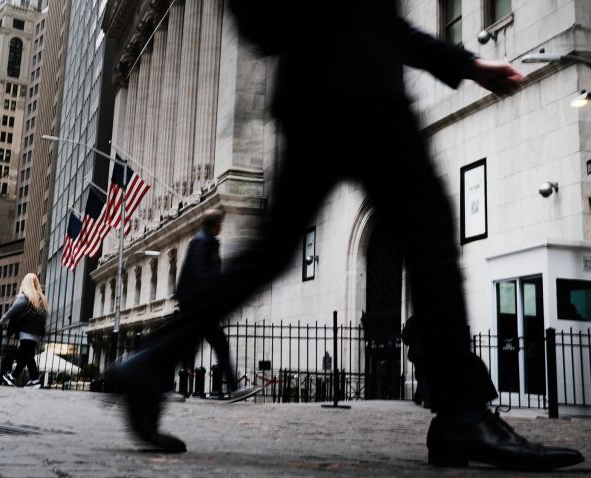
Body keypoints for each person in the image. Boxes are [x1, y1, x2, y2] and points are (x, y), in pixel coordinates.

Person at [107, 1, 585, 469]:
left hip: (319, 87)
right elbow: (368, 20)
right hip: (358, 88)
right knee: (429, 233)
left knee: (273, 254)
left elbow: (376, 20)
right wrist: (460, 62)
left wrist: (464, 62)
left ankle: (150, 363)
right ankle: (462, 412)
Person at [175, 208, 259, 402]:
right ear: (214, 225)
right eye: (220, 224)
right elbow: (201, 274)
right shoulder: (201, 242)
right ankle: (233, 387)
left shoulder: (207, 242)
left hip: (200, 305)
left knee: (199, 347)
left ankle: (233, 386)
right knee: (206, 346)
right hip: (197, 306)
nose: (221, 227)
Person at [1, 273, 48, 387]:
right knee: (24, 355)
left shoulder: (25, 296)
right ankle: (13, 377)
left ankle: (35, 379)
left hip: (26, 330)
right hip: (37, 331)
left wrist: (3, 319)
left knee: (28, 355)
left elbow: (13, 310)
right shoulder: (41, 298)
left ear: (25, 283)